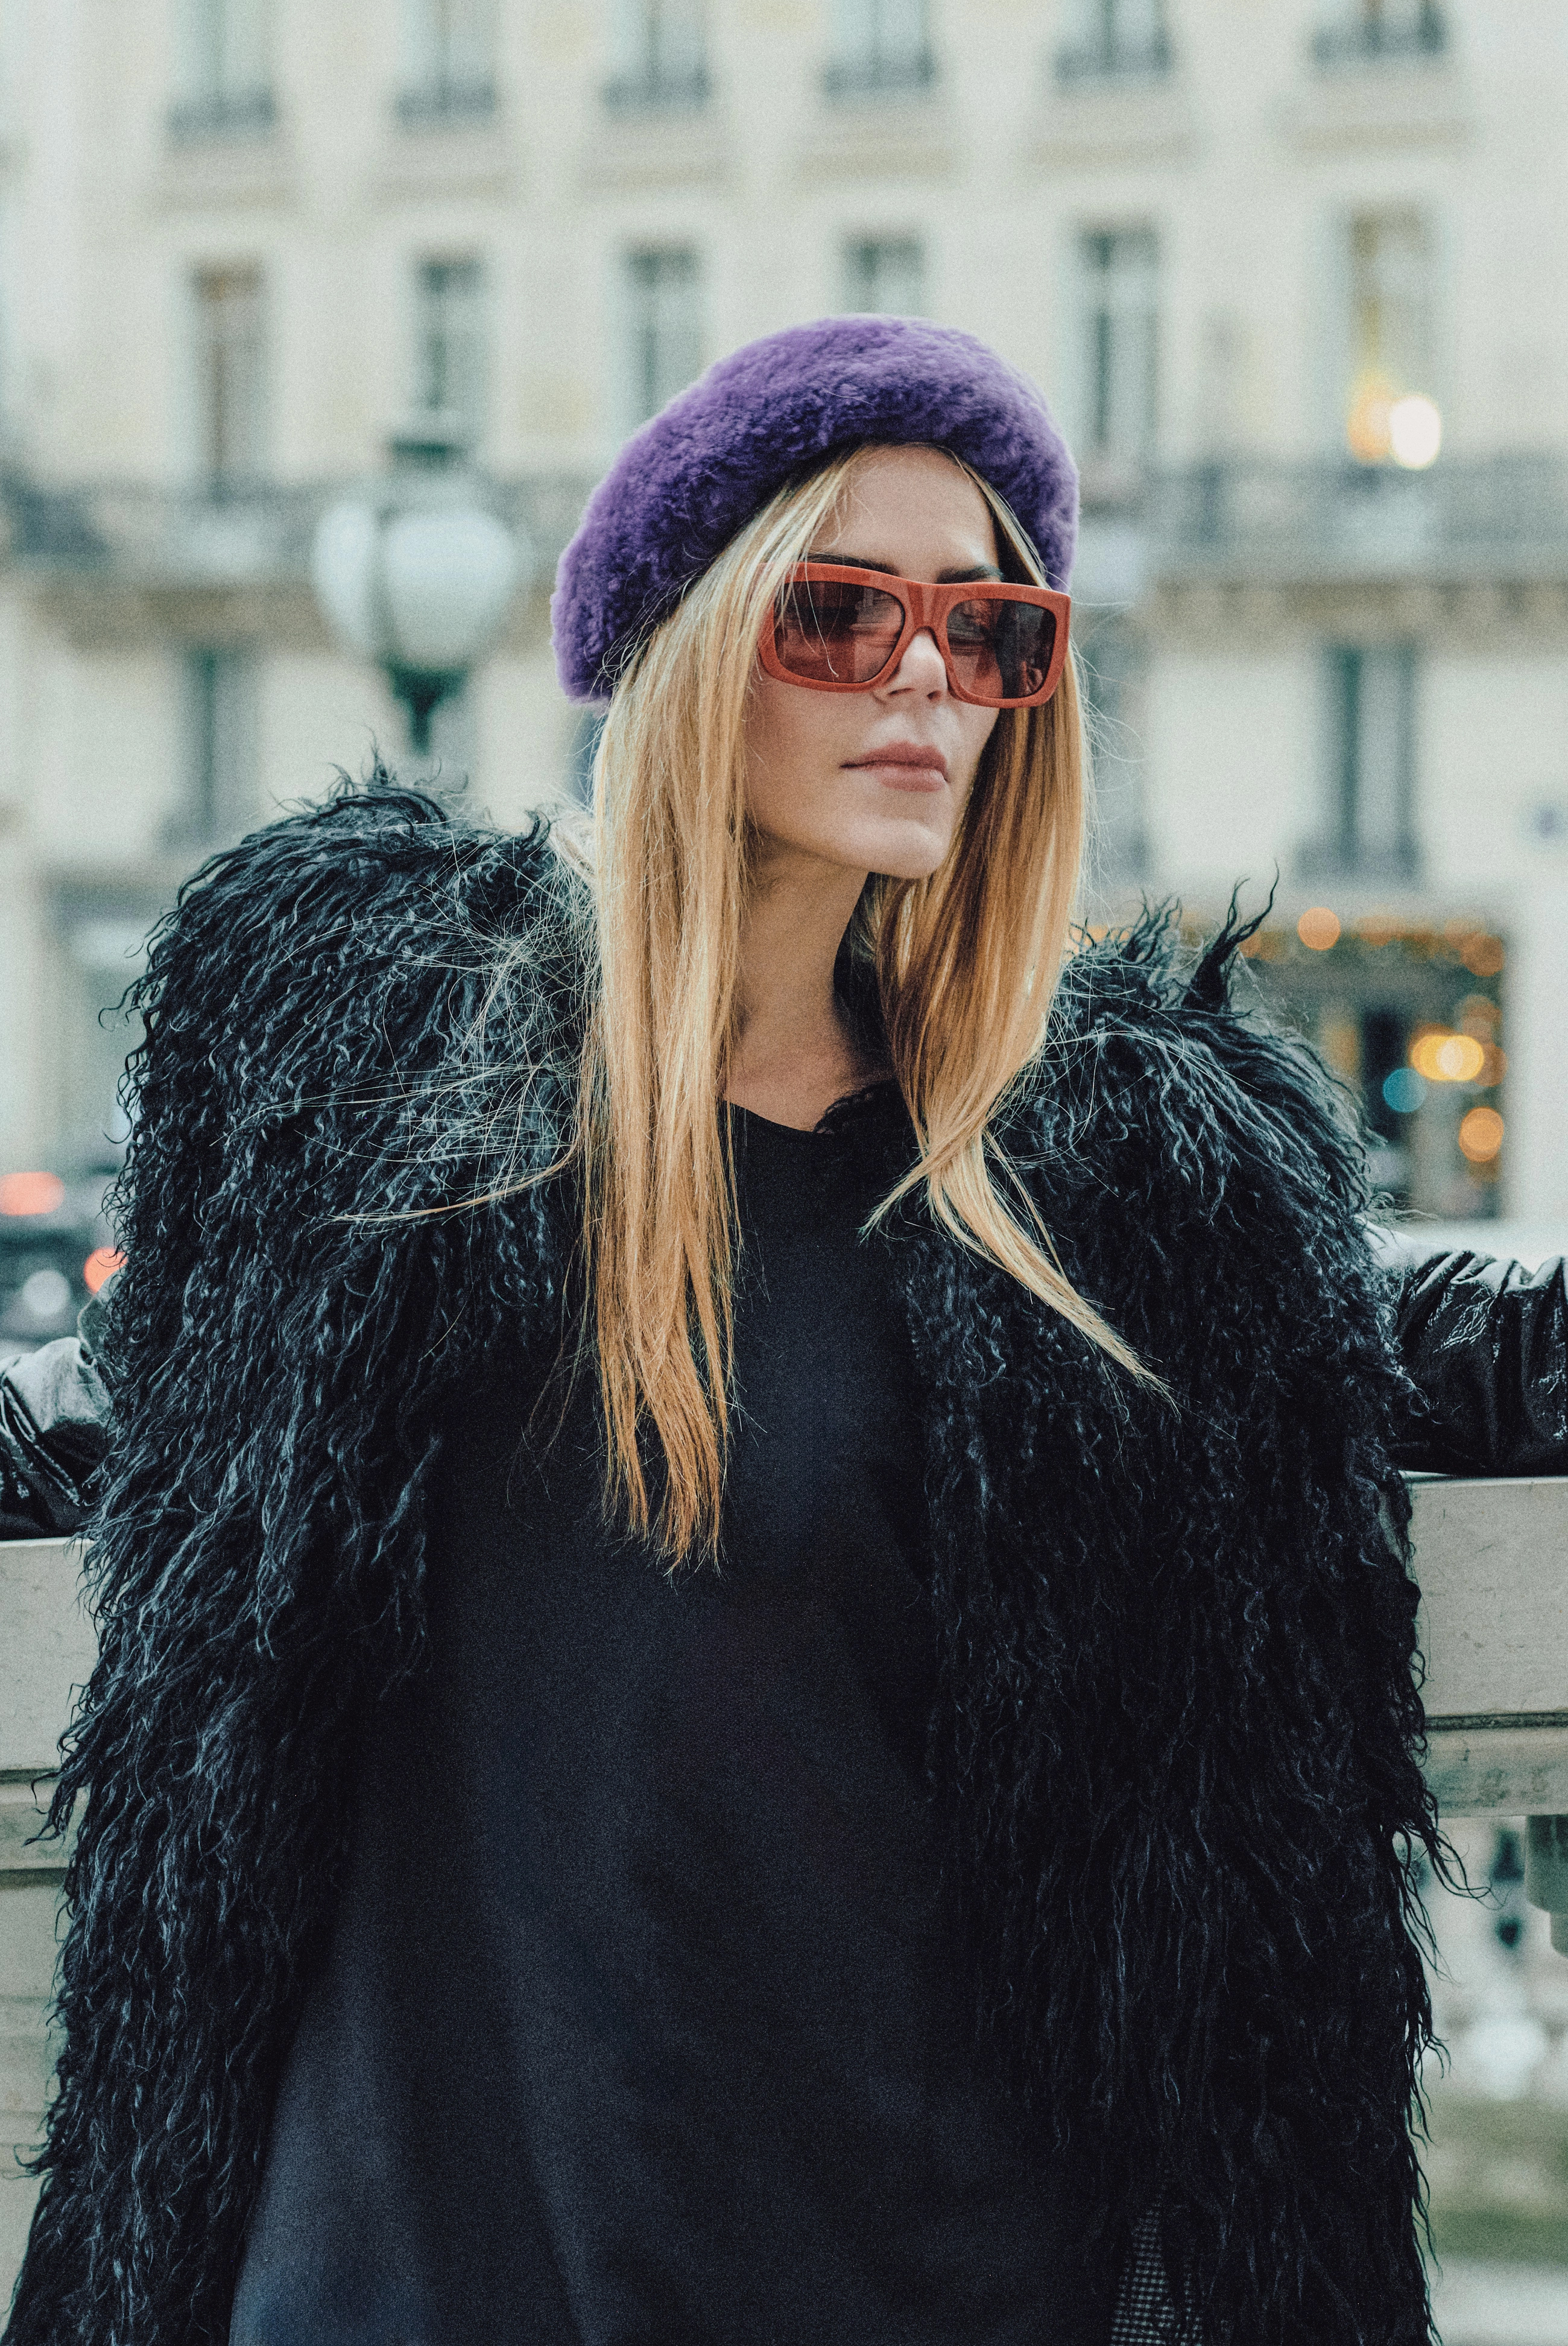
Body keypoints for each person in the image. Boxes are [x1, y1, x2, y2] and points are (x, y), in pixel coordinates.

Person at [3, 315, 1565, 2346]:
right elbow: (162, 1413)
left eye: (989, 631)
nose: (929, 675)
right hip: (412, 2267)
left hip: (919, 2270)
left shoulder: (1094, 1205)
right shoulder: (382, 1122)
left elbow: (1400, 1353)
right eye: (842, 611)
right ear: (693, 640)